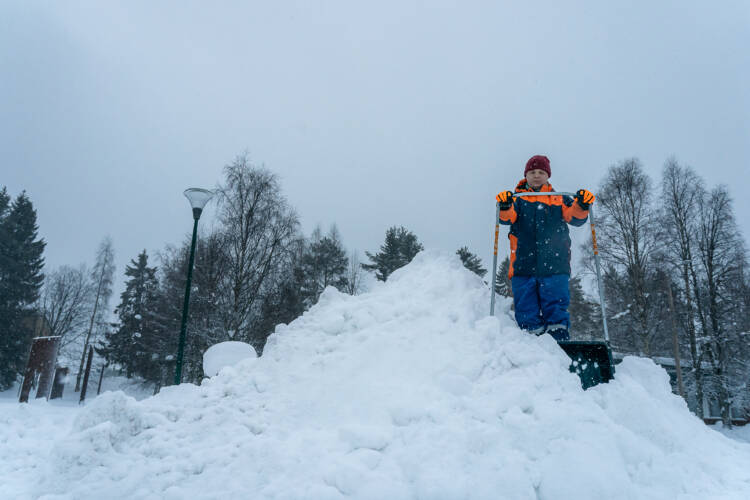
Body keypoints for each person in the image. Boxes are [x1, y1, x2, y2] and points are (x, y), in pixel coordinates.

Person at [496, 155, 595, 341]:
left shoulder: (558, 199)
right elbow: (506, 217)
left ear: (548, 176)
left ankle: (559, 343)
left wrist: (582, 205)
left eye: (541, 172)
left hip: (555, 266)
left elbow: (575, 217)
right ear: (526, 175)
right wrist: (504, 204)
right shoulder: (517, 199)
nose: (536, 176)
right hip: (522, 266)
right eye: (532, 172)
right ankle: (531, 345)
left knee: (556, 305)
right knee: (526, 308)